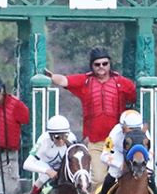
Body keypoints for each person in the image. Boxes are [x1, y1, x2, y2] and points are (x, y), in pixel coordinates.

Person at [47, 46, 137, 186]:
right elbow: (64, 80)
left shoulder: (123, 83)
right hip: (95, 142)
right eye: (97, 64)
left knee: (124, 177)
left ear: (110, 64)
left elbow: (135, 100)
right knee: (98, 179)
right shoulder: (85, 81)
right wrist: (51, 76)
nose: (101, 67)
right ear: (92, 66)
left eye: (104, 63)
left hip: (118, 141)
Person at [91, 109, 157, 194]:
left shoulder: (145, 133)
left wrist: (145, 162)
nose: (134, 133)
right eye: (130, 129)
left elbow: (151, 152)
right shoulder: (115, 133)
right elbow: (104, 155)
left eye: (137, 129)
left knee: (149, 173)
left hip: (140, 155)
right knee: (113, 173)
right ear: (123, 127)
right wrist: (120, 165)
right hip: (120, 154)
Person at [22, 114, 79, 194]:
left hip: (64, 168)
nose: (61, 141)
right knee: (44, 178)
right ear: (50, 135)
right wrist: (47, 171)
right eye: (57, 137)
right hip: (47, 168)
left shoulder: (72, 138)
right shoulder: (43, 141)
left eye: (65, 136)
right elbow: (26, 164)